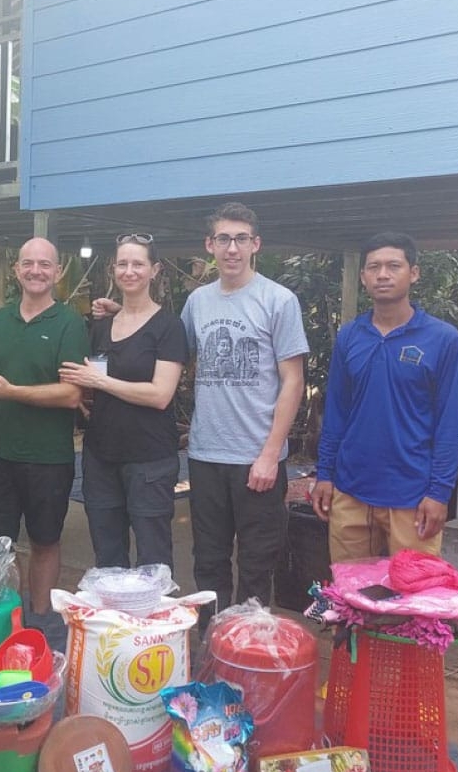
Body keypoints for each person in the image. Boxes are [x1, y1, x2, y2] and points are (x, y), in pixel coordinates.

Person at [180, 203, 308, 618]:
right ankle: (213, 645)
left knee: (256, 564)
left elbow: (293, 380)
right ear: (209, 245)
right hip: (205, 454)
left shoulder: (278, 300)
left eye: (240, 239)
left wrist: (270, 454)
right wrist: (119, 316)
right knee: (209, 562)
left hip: (257, 458)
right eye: (223, 239)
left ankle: (248, 654)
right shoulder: (197, 301)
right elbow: (170, 355)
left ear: (256, 244)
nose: (231, 248)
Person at [0, 237, 90, 650]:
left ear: (57, 272)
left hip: (48, 455)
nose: (36, 271)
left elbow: (71, 395)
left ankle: (38, 625)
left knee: (45, 540)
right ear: (16, 270)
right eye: (28, 264)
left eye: (45, 265)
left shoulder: (69, 323)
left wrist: (9, 391)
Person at [312, 231, 458, 560]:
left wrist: (440, 493)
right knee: (351, 597)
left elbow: (449, 424)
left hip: (412, 496)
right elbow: (336, 412)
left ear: (414, 273)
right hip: (350, 491)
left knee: (413, 600)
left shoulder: (442, 339)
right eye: (374, 267)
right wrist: (324, 475)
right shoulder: (350, 336)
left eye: (394, 265)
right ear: (363, 276)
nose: (383, 274)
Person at [59, 232, 187, 568]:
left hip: (149, 460)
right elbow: (90, 382)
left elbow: (160, 395)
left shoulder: (168, 327)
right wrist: (84, 394)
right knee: (107, 556)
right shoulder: (101, 326)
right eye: (123, 264)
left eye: (138, 264)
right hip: (101, 456)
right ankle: (113, 621)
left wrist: (100, 381)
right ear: (113, 269)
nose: (130, 271)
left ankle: (158, 620)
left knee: (153, 558)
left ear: (154, 270)